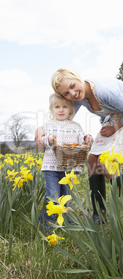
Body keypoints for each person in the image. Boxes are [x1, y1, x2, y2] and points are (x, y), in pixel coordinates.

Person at [35, 69, 123, 224]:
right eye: (66, 93)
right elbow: (61, 119)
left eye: (73, 86)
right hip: (116, 116)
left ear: (78, 77)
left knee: (106, 163)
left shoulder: (104, 91)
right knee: (92, 160)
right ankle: (99, 215)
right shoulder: (79, 97)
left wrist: (114, 127)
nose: (72, 93)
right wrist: (40, 129)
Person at [39, 93, 92, 230]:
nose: (61, 110)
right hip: (51, 167)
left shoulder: (76, 126)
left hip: (69, 169)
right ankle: (47, 224)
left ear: (71, 110)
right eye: (57, 107)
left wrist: (87, 139)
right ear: (51, 110)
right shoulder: (48, 125)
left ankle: (69, 220)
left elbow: (82, 141)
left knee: (68, 196)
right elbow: (43, 142)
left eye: (64, 107)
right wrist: (49, 139)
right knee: (52, 196)